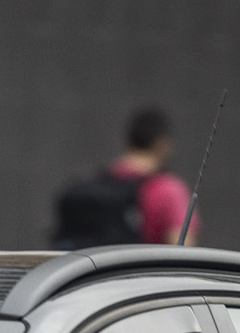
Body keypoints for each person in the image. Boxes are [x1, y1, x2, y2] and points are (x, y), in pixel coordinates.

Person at [51, 106, 196, 250]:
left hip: (87, 272)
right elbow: (182, 248)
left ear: (129, 141)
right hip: (136, 272)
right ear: (162, 144)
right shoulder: (168, 189)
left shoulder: (95, 180)